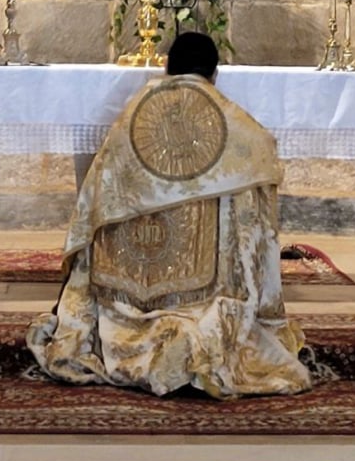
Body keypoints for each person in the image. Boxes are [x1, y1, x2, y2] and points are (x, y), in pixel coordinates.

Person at [27, 31, 311, 399]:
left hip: (127, 290)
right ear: (214, 74)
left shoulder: (134, 113)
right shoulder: (236, 125)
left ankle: (133, 322)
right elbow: (262, 161)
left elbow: (96, 197)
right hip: (204, 292)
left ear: (167, 66)